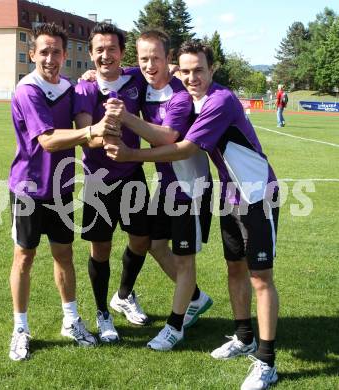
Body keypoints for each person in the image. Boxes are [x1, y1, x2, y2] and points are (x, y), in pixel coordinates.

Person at [105, 40, 280, 390]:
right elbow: (146, 70)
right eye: (184, 71)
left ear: (211, 70)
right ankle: (244, 336)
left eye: (198, 69)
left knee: (260, 277)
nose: (191, 76)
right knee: (235, 268)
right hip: (231, 193)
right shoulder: (192, 96)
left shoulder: (220, 100)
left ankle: (267, 360)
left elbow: (183, 147)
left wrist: (129, 155)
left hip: (258, 193)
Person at [8, 22, 120, 360]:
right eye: (44, 51)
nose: (51, 58)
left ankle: (71, 321)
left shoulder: (70, 88)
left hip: (60, 189)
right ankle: (21, 328)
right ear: (32, 54)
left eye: (57, 51)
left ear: (64, 54)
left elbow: (90, 126)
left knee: (64, 256)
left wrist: (112, 127)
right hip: (28, 188)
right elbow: (48, 139)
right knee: (24, 257)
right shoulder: (28, 90)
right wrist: (92, 130)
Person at [104, 29, 213, 351]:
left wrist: (125, 118)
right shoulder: (140, 81)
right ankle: (195, 298)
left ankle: (175, 326)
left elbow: (167, 137)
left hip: (190, 188)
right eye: (143, 59)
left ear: (169, 61)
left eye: (156, 58)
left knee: (184, 260)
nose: (150, 65)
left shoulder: (180, 94)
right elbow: (121, 72)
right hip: (167, 186)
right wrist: (96, 72)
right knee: (153, 243)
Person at [74, 22, 151, 343]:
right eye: (99, 50)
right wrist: (104, 129)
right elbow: (84, 135)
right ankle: (103, 314)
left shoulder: (136, 80)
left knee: (141, 240)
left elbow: (157, 70)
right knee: (101, 248)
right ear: (91, 54)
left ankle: (123, 295)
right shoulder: (84, 88)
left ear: (122, 52)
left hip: (132, 172)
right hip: (98, 181)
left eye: (112, 49)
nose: (106, 55)